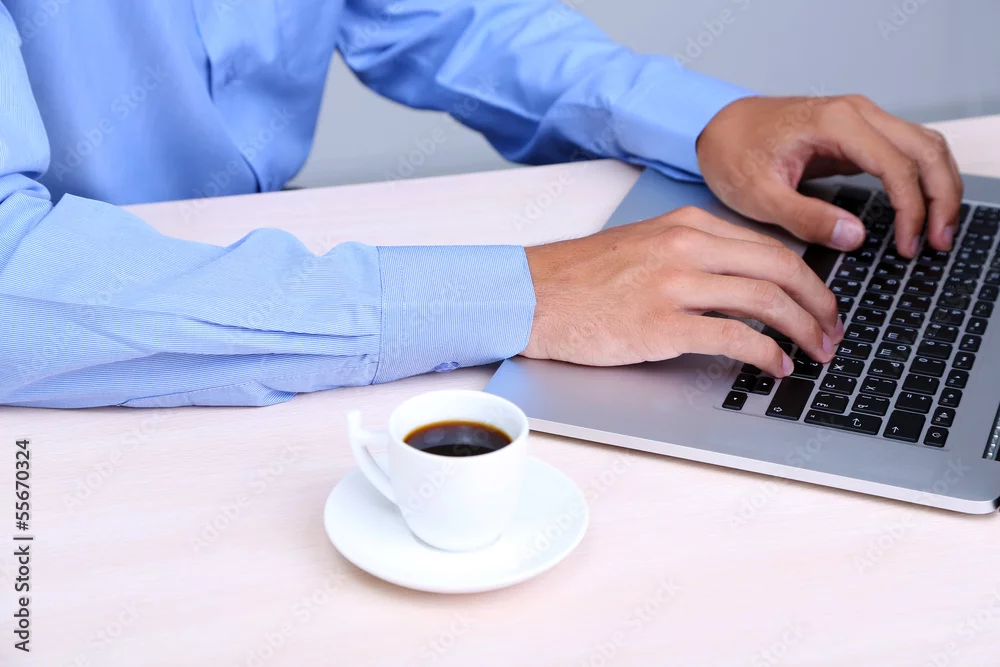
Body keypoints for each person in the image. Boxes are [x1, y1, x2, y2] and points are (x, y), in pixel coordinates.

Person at [0, 1, 962, 408]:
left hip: (277, 290)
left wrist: (706, 120)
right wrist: (521, 295)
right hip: (74, 396)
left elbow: (448, 22)